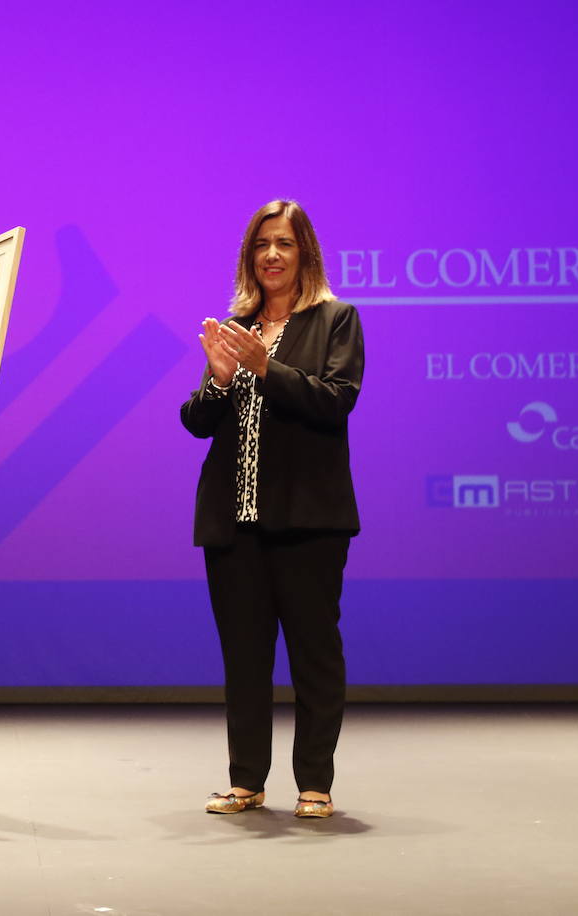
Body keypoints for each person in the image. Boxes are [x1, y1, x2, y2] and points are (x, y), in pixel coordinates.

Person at [180, 199, 364, 819]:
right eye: (261, 245)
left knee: (314, 652)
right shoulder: (240, 326)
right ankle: (246, 781)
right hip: (235, 522)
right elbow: (195, 421)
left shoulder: (335, 320)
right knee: (245, 657)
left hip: (308, 521)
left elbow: (335, 400)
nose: (272, 256)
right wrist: (220, 377)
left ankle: (314, 782)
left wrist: (269, 369)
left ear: (304, 252)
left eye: (284, 243)